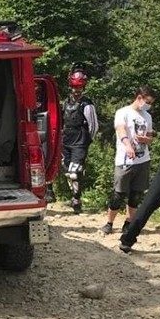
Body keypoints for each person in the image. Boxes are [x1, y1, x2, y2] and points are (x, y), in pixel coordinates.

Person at [101, 86, 157, 236]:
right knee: (118, 194)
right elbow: (121, 129)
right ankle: (109, 223)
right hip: (125, 160)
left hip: (143, 159)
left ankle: (128, 223)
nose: (148, 105)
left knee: (136, 194)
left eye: (151, 103)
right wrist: (128, 145)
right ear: (139, 98)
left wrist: (147, 139)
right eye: (147, 102)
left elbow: (150, 136)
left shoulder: (147, 116)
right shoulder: (123, 112)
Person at [60, 64, 98, 213]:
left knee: (75, 172)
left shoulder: (87, 104)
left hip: (80, 141)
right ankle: (73, 196)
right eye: (75, 87)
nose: (77, 91)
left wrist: (87, 141)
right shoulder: (66, 102)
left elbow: (93, 125)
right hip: (66, 140)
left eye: (79, 88)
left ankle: (77, 199)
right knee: (68, 172)